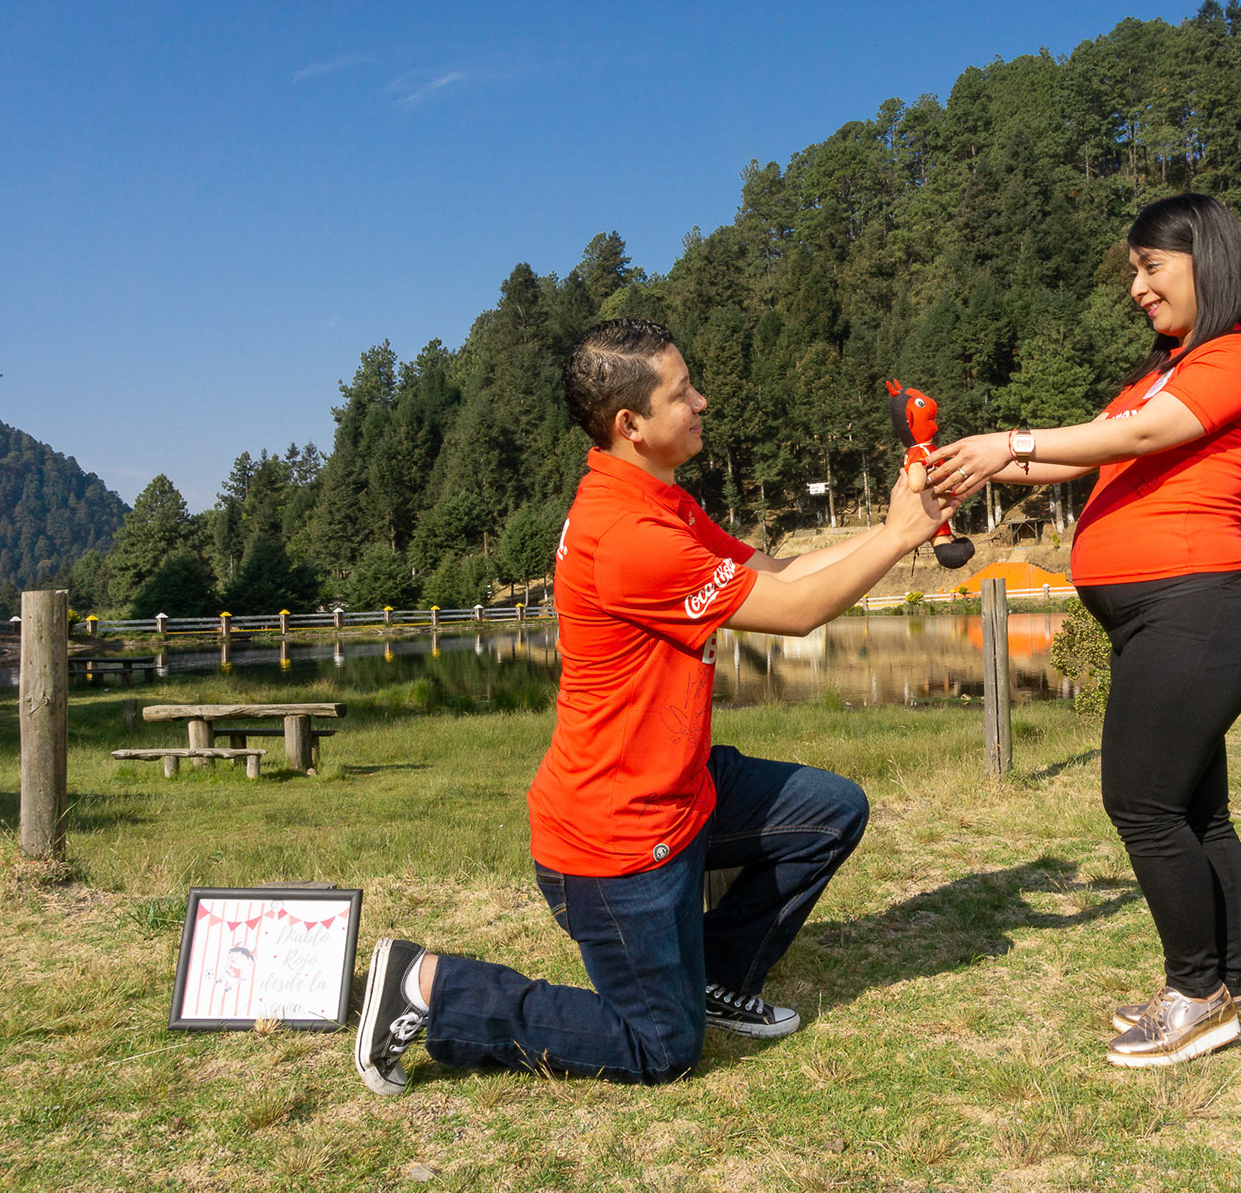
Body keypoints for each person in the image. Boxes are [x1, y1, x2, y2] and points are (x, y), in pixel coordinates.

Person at [355, 318, 958, 1093]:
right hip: (614, 837)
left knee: (829, 811)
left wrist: (892, 530)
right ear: (630, 424)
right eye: (683, 393)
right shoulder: (630, 534)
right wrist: (902, 533)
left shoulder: (652, 498)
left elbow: (777, 569)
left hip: (679, 790)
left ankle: (713, 977)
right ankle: (431, 985)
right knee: (660, 1048)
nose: (702, 400)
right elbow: (800, 609)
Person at [925, 194, 1241, 1069]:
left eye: (1151, 267)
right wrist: (976, 462)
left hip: (1197, 609)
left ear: (1207, 261)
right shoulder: (1156, 374)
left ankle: (1194, 997)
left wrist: (1009, 438)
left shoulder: (1238, 358)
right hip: (1164, 619)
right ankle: (1227, 994)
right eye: (1133, 270)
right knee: (1197, 813)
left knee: (1141, 802)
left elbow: (1146, 433)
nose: (1137, 287)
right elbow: (1086, 449)